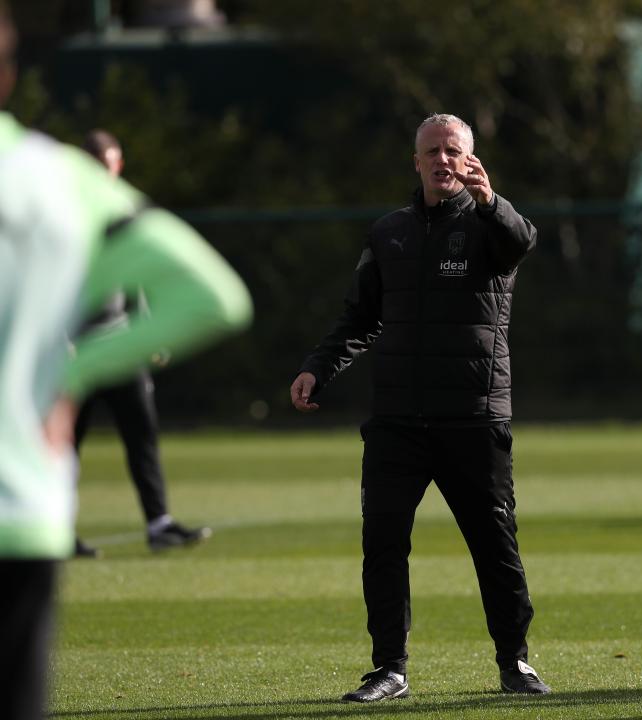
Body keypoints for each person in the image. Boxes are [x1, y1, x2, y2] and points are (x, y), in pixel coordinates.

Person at [0, 7, 253, 718]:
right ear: (9, 75)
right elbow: (216, 297)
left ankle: (157, 517)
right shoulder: (59, 181)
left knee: (141, 437)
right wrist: (71, 372)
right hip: (17, 510)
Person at [290, 113, 547, 702]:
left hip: (473, 418)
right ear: (416, 162)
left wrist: (491, 201)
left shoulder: (490, 224)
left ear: (471, 159)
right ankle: (390, 669)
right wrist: (316, 367)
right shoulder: (389, 233)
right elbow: (360, 317)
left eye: (453, 150)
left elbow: (521, 242)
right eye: (432, 151)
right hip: (397, 421)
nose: (442, 159)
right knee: (383, 544)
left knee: (495, 546)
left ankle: (515, 663)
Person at [71, 129, 211, 557]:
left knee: (142, 435)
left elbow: (138, 275)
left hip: (121, 343)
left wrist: (150, 328)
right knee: (63, 444)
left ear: (119, 166)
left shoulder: (124, 209)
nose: (104, 172)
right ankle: (55, 530)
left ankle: (159, 524)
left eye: (108, 164)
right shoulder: (66, 211)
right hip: (76, 349)